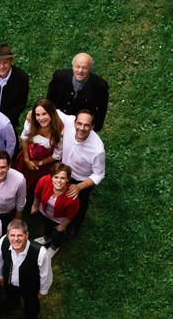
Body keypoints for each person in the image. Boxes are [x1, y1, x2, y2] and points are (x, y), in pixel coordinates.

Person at [0, 219, 53, 319]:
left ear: (26, 235)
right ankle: (12, 304)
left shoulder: (40, 252)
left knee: (31, 302)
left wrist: (43, 291)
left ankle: (31, 317)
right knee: (10, 295)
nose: (15, 239)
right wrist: (0, 275)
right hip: (9, 280)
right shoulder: (3, 242)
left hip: (30, 285)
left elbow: (46, 274)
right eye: (12, 235)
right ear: (8, 235)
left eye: (20, 235)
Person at [60, 109, 105, 237]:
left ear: (92, 127)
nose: (82, 128)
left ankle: (74, 226)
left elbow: (99, 174)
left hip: (81, 179)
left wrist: (79, 187)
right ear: (74, 123)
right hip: (64, 170)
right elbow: (54, 111)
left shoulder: (97, 150)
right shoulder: (68, 122)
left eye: (86, 125)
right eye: (79, 123)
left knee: (80, 204)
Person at [13, 98, 64, 203]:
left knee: (33, 184)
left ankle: (27, 201)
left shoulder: (59, 130)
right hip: (25, 158)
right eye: (38, 115)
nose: (41, 118)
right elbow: (24, 138)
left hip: (41, 165)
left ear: (51, 113)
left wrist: (39, 163)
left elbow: (57, 155)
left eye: (44, 114)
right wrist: (27, 160)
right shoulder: (31, 122)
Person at [46, 52, 109, 132]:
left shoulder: (100, 86)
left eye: (84, 68)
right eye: (77, 67)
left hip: (80, 128)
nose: (80, 70)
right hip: (57, 122)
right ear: (72, 67)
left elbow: (101, 112)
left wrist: (91, 130)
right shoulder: (59, 77)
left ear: (90, 69)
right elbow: (48, 100)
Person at [30, 163, 80, 258]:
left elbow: (72, 213)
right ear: (51, 177)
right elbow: (37, 192)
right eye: (56, 177)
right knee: (47, 226)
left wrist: (63, 225)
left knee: (58, 234)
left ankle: (54, 247)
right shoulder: (44, 180)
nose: (59, 181)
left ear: (68, 179)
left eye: (63, 178)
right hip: (44, 212)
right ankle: (46, 238)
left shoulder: (72, 197)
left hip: (60, 219)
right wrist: (35, 205)